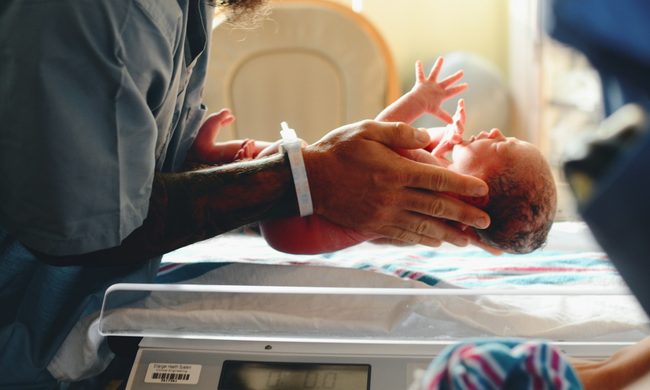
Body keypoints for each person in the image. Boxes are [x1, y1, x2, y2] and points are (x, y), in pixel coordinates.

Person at [0, 1, 493, 386]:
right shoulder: (107, 13)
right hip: (27, 335)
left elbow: (99, 165)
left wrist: (187, 164)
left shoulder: (177, 10)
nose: (493, 135)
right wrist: (303, 177)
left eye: (503, 148)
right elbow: (90, 223)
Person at [254, 62, 556, 255]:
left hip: (296, 219)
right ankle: (221, 154)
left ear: (478, 193)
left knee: (280, 151)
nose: (496, 132)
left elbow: (375, 138)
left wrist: (418, 101)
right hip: (294, 231)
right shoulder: (442, 207)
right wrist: (447, 140)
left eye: (502, 146)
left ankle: (224, 155)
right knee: (275, 152)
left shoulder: (430, 182)